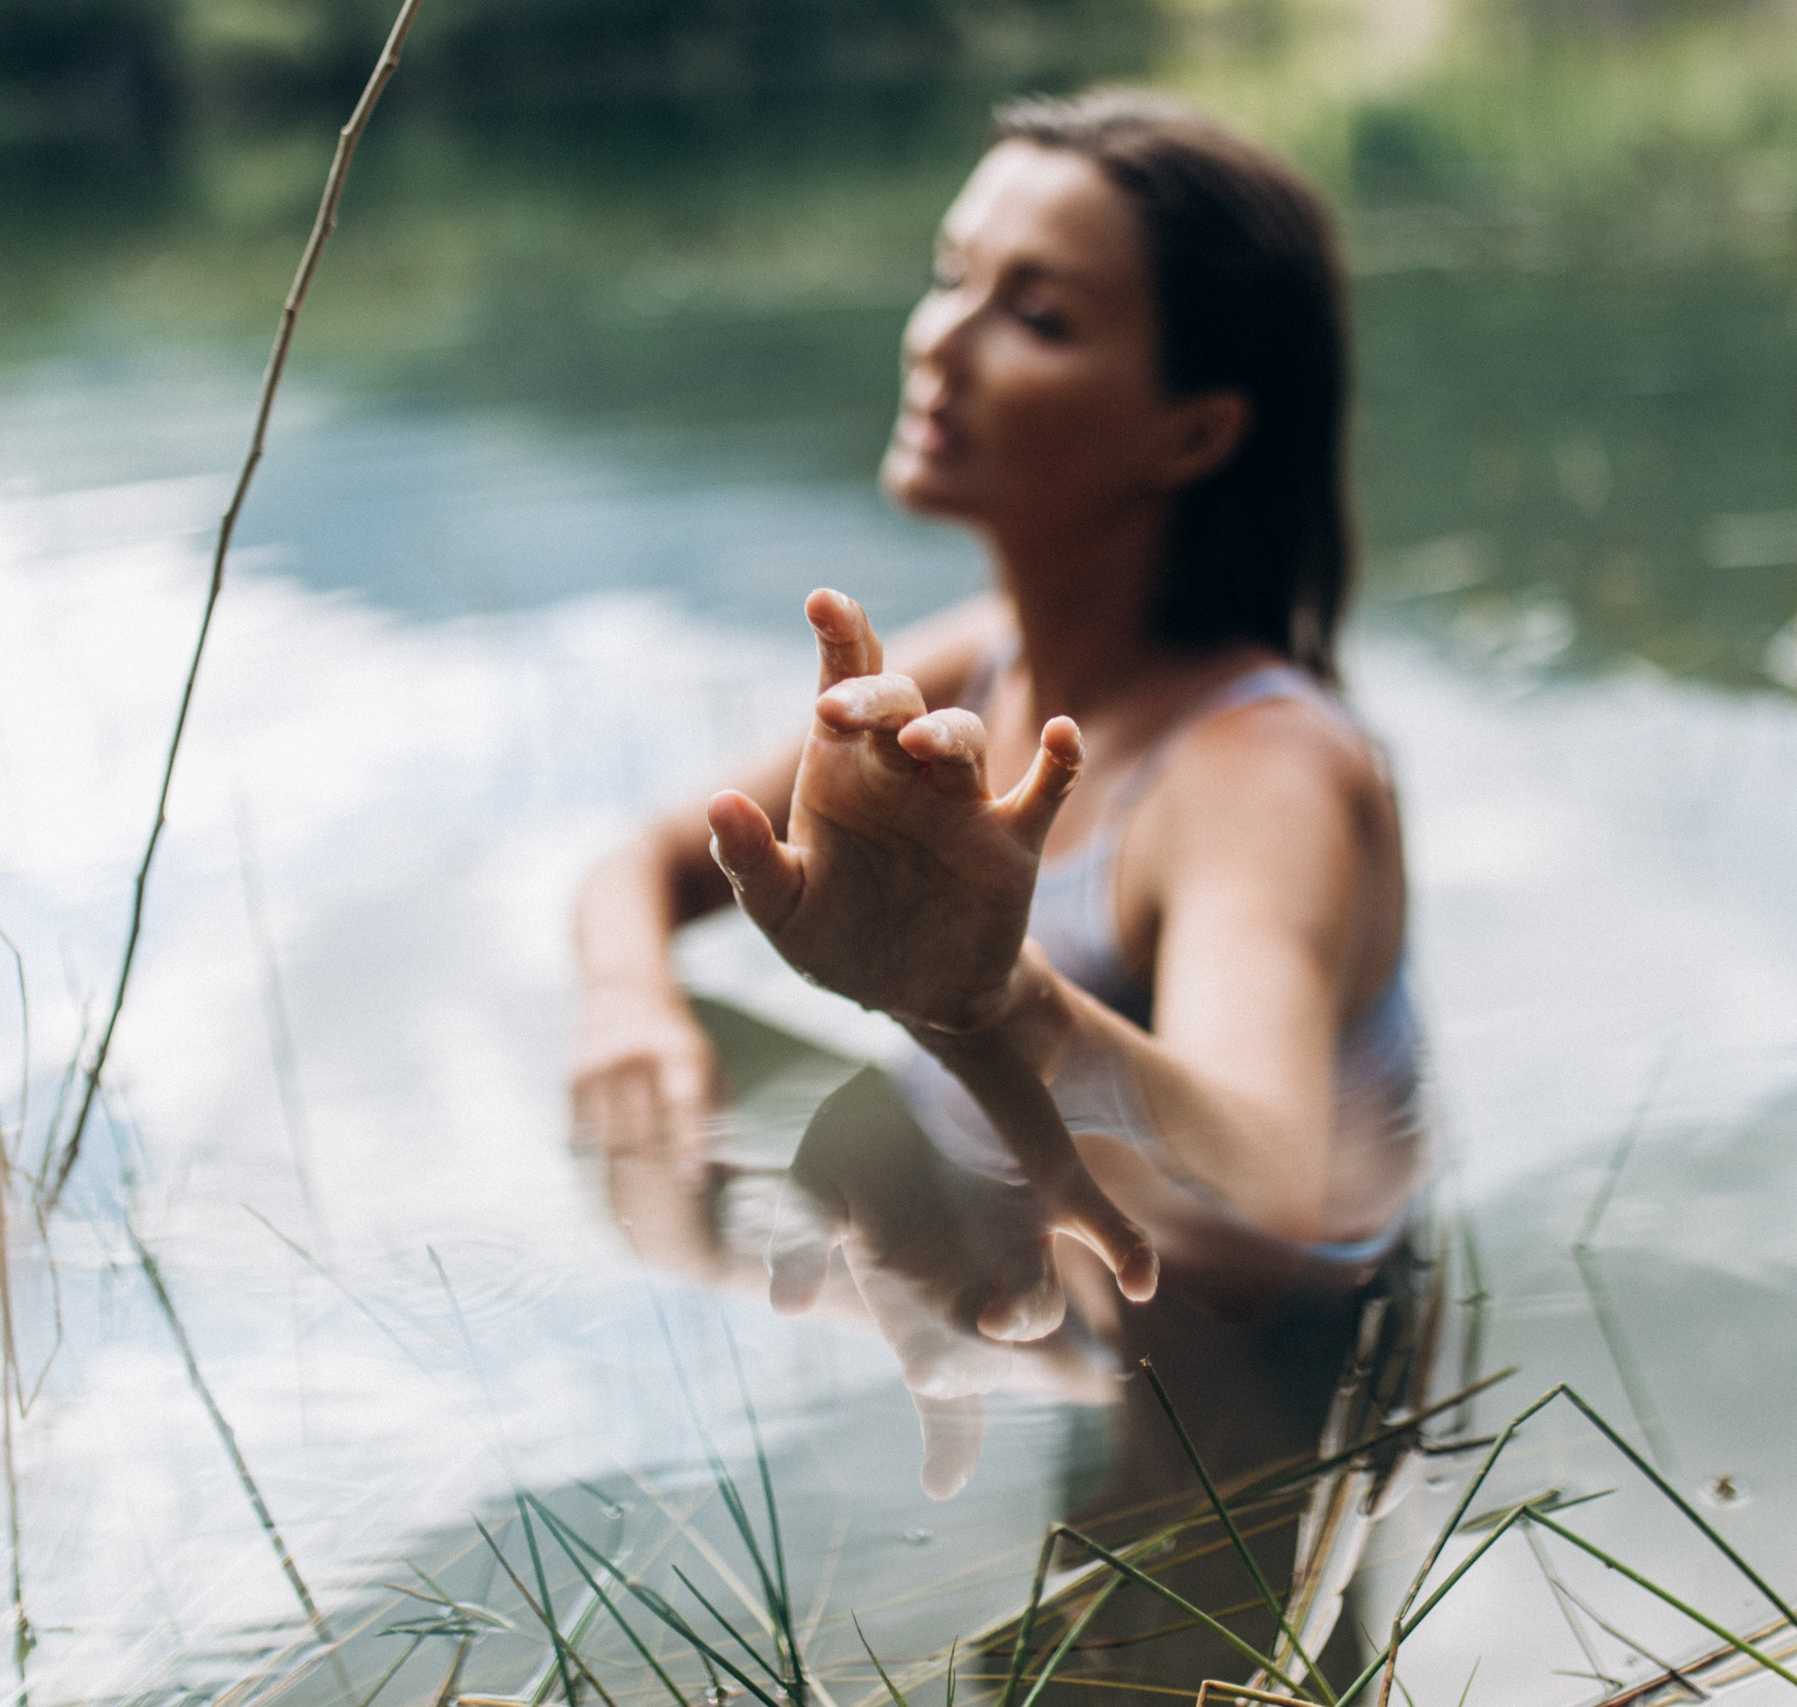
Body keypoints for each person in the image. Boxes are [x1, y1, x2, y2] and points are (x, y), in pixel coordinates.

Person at [571, 88, 1440, 1693]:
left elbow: (1277, 1194)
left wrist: (996, 1001)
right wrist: (631, 1010)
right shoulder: (987, 657)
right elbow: (638, 865)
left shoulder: (1259, 779)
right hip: (1013, 1280)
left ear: (1196, 430)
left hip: (1230, 1393)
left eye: (1033, 315)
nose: (938, 341)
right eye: (950, 276)